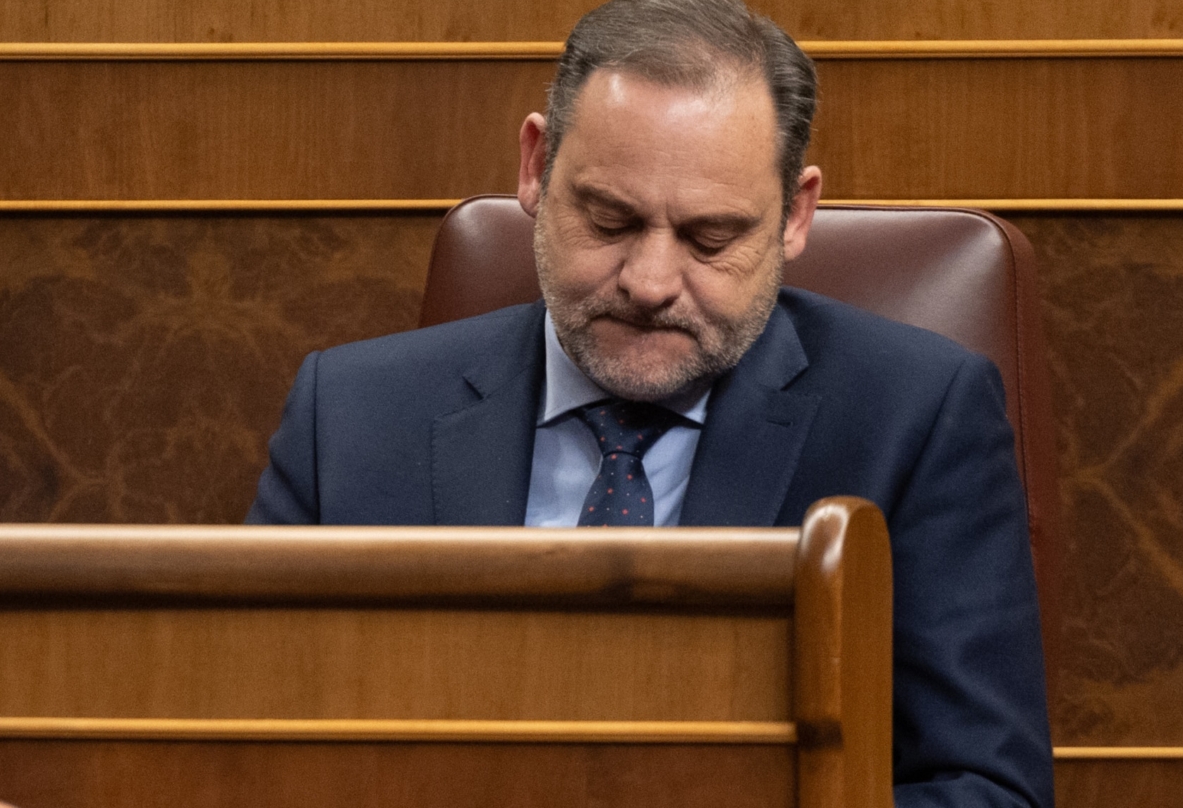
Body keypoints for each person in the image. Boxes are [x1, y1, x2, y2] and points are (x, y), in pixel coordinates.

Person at [248, 0, 1053, 805]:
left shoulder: (914, 418)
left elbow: (983, 788)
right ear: (535, 167)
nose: (650, 282)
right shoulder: (348, 415)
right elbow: (241, 753)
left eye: (711, 240)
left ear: (796, 216)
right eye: (609, 220)